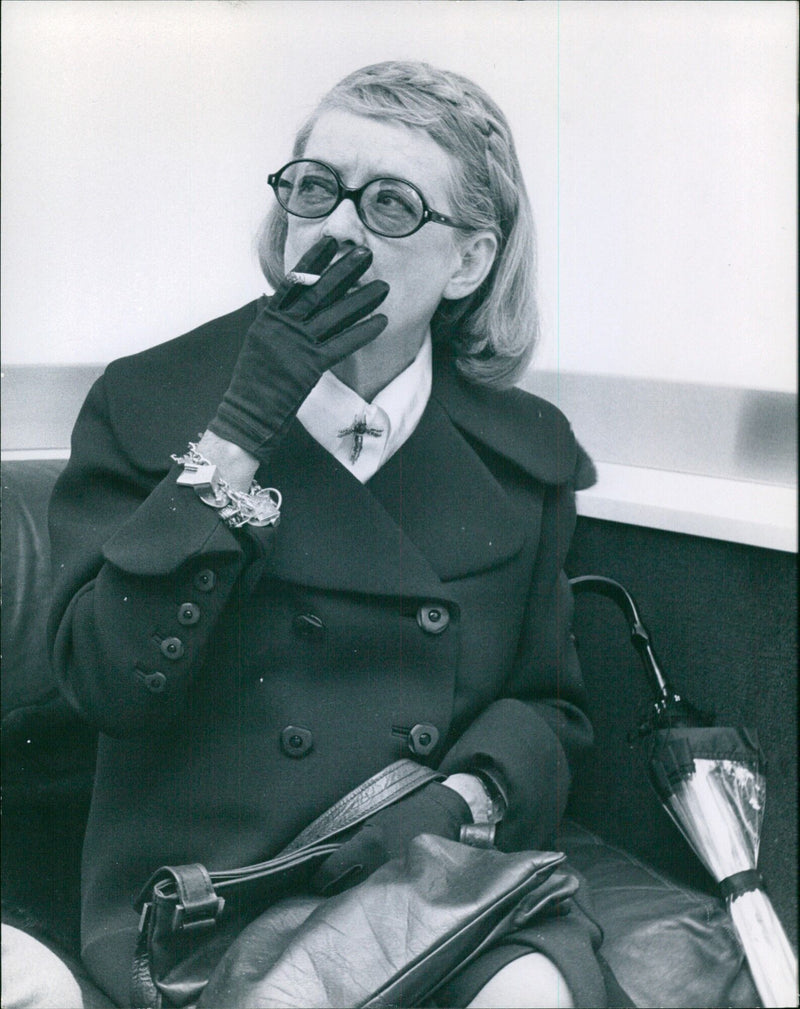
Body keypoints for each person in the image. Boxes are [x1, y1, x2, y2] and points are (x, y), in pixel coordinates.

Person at [47, 60, 616, 1008]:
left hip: (427, 888)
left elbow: (547, 709)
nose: (338, 226)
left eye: (390, 204)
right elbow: (106, 681)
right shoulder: (147, 401)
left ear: (469, 261)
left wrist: (463, 800)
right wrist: (239, 430)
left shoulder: (528, 453)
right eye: (317, 188)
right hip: (216, 901)